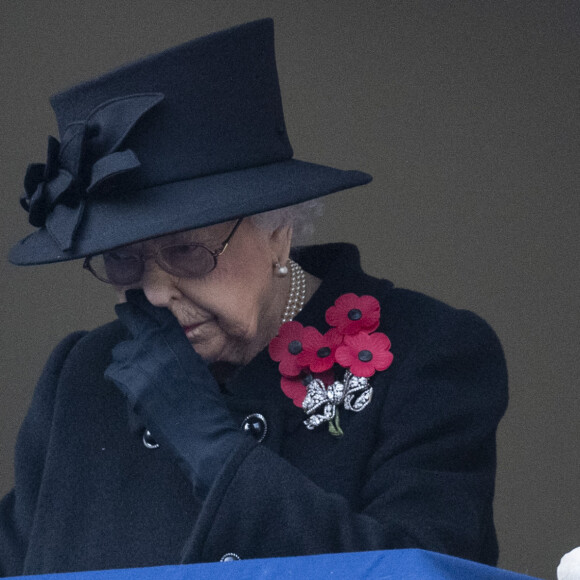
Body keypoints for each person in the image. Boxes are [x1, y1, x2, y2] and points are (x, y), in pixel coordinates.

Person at [0, 19, 507, 576]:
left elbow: (422, 572)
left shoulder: (425, 354)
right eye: (123, 258)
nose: (155, 293)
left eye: (187, 251)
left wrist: (207, 443)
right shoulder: (83, 374)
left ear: (278, 229)